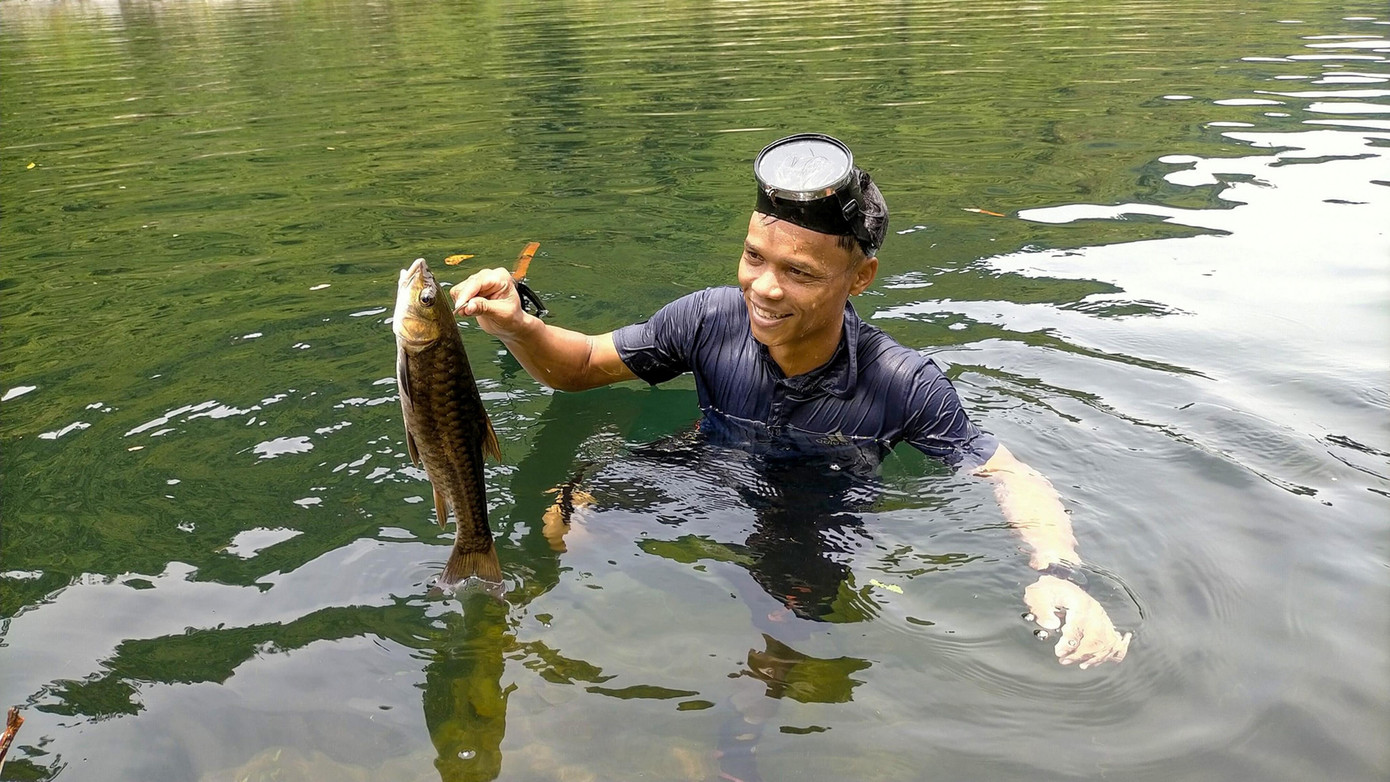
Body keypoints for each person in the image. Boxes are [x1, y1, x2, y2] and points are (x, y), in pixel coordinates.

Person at [451, 133, 1131, 670]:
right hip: (706, 464)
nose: (764, 288)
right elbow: (578, 368)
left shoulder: (901, 382)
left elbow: (1007, 472)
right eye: (755, 257)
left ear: (860, 277)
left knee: (785, 650)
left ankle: (748, 732)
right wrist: (518, 326)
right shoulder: (708, 318)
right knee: (566, 523)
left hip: (817, 509)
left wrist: (1060, 574)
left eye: (799, 271)